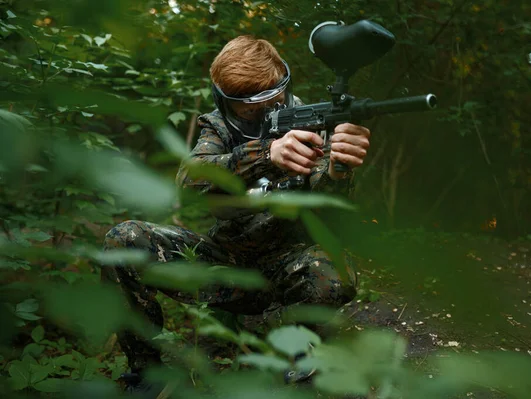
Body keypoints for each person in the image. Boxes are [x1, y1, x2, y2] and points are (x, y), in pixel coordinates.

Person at [101, 35, 372, 396]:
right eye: (249, 109)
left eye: (272, 101)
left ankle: (295, 358)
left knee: (334, 272)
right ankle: (146, 373)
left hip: (288, 266)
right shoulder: (219, 127)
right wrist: (265, 154)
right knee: (123, 241)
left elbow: (331, 210)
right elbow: (190, 180)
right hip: (227, 265)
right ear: (226, 103)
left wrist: (338, 170)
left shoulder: (315, 122)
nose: (264, 114)